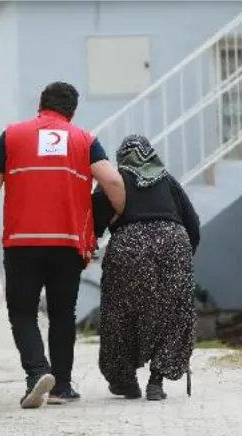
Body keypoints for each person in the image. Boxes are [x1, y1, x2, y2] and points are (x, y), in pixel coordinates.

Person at [0, 81, 126, 409]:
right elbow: (112, 180)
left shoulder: (12, 136)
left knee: (23, 311)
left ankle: (37, 372)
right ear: (72, 111)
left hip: (22, 243)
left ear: (41, 105)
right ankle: (62, 387)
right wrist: (118, 216)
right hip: (67, 243)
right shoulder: (84, 140)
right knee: (62, 313)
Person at [92, 134, 200, 401]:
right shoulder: (167, 180)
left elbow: (95, 223)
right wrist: (185, 257)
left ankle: (125, 381)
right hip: (174, 243)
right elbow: (192, 222)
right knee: (174, 312)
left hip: (130, 246)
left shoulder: (115, 181)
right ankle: (157, 380)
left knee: (121, 313)